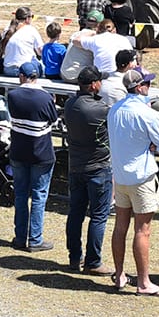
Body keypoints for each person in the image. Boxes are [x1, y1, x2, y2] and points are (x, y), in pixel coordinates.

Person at [107, 69, 159, 295]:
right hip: (141, 177)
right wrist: (151, 146)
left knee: (120, 226)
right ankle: (143, 282)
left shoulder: (114, 109)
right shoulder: (147, 113)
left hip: (120, 175)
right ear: (140, 87)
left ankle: (119, 273)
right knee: (142, 230)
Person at [64, 65, 112, 274]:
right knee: (99, 215)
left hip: (76, 166)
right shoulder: (100, 109)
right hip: (98, 167)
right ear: (94, 85)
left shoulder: (70, 104)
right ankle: (93, 261)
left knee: (75, 213)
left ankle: (75, 257)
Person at [7, 60, 58, 252]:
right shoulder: (44, 97)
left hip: (19, 150)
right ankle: (35, 239)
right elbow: (53, 118)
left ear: (21, 76)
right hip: (41, 152)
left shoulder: (13, 95)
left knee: (20, 195)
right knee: (39, 195)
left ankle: (20, 237)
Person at [1, 6, 43, 77]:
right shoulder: (31, 30)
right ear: (27, 19)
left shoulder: (7, 30)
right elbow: (40, 51)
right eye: (31, 16)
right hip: (25, 70)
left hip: (8, 70)